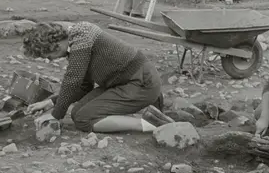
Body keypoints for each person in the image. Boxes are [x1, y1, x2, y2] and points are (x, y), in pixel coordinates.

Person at [23, 22, 171, 135]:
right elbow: (83, 86)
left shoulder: (81, 38)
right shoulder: (75, 42)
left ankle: (152, 124)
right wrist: (50, 102)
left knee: (83, 119)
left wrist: (55, 115)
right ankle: (151, 116)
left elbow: (73, 80)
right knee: (77, 112)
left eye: (47, 55)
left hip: (141, 84)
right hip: (123, 83)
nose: (49, 60)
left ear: (55, 46)